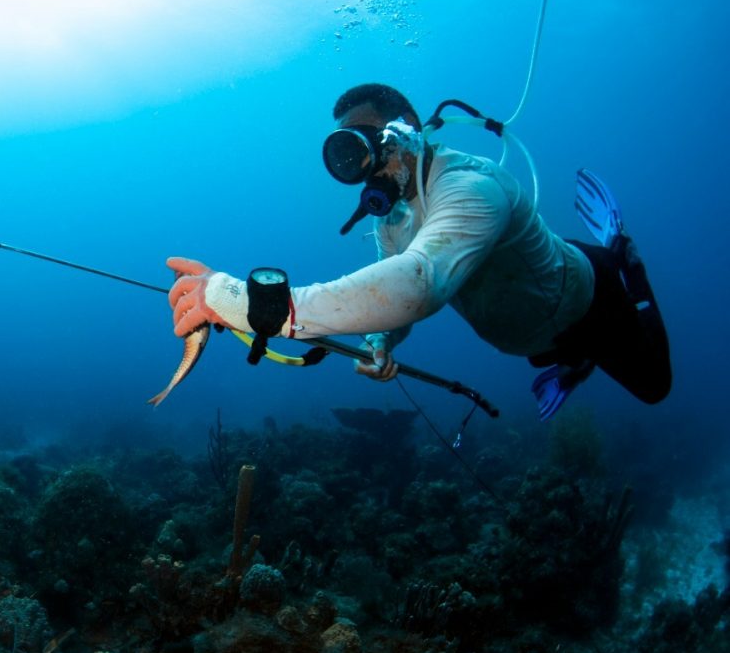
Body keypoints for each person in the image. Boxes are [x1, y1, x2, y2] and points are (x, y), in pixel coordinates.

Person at [166, 83, 671, 419]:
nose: (363, 170)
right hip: (534, 333)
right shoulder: (393, 218)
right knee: (548, 351)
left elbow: (422, 280)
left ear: (405, 132)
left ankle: (624, 254)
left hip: (590, 299)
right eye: (348, 156)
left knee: (654, 387)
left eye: (366, 147)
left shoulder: (471, 186)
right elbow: (395, 292)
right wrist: (384, 342)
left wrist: (267, 306)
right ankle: (574, 362)